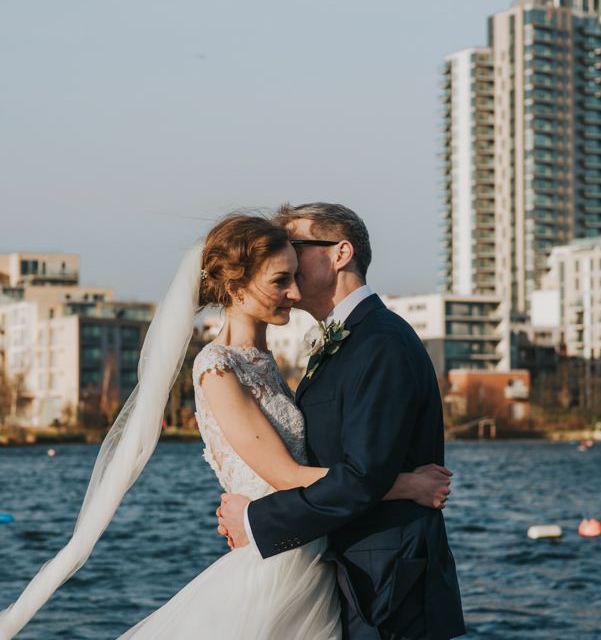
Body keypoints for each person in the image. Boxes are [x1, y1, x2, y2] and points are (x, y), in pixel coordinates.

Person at [0, 214, 449, 640]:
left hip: (308, 554)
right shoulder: (217, 368)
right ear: (236, 287)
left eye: (293, 275)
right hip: (278, 565)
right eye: (279, 280)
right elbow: (287, 477)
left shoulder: (270, 362)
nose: (293, 292)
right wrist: (404, 485)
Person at [218, 203, 465, 639]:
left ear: (340, 253)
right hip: (349, 573)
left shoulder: (380, 342)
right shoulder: (345, 341)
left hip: (387, 582)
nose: (285, 258)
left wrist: (258, 520)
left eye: (295, 246)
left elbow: (362, 476)